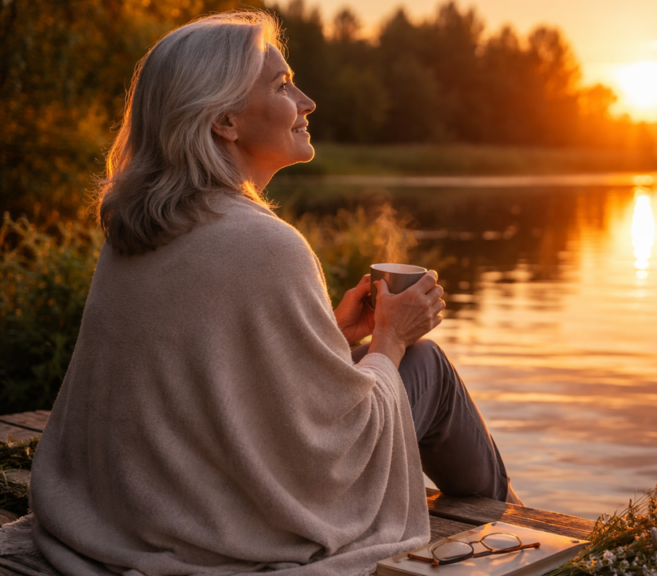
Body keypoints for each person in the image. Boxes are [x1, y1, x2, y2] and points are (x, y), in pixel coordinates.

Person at [28, 10, 520, 576]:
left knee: (388, 365)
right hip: (220, 518)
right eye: (283, 85)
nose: (307, 100)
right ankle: (514, 523)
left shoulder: (139, 230)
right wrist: (392, 337)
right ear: (226, 121)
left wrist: (329, 336)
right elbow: (320, 440)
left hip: (142, 508)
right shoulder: (264, 242)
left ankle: (509, 514)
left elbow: (211, 380)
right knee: (426, 365)